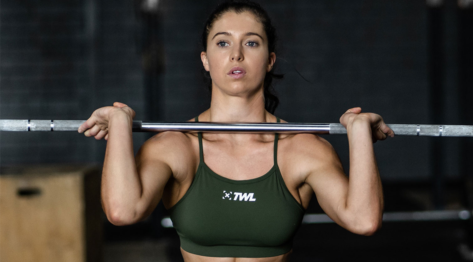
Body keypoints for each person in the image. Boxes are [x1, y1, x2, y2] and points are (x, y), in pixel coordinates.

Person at [78, 0, 394, 261]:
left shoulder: (301, 150)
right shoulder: (177, 146)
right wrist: (120, 124)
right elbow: (122, 211)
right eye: (223, 42)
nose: (236, 54)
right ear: (205, 59)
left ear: (270, 60)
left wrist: (359, 134)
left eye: (251, 42)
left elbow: (364, 221)